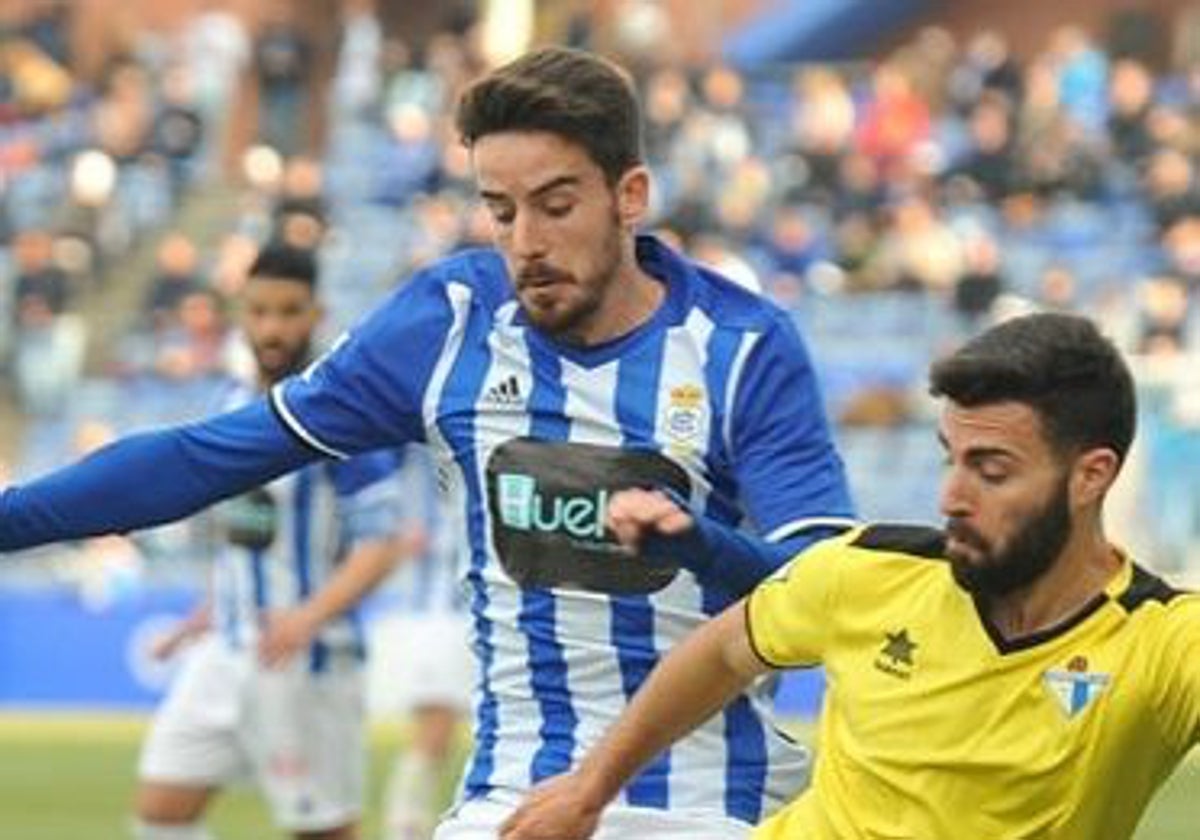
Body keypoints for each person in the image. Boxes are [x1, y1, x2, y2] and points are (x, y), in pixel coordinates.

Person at [0, 47, 855, 839]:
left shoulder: (743, 349)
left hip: (714, 805)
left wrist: (699, 546)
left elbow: (822, 595)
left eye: (557, 206)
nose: (526, 242)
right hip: (512, 800)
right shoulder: (449, 324)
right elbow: (203, 458)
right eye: (500, 211)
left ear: (629, 194)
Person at [497, 312, 1200, 840]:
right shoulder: (869, 573)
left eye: (991, 470)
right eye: (949, 458)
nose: (952, 495)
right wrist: (589, 789)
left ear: (1090, 477)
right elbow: (719, 651)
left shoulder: (1160, 646)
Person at [133, 243, 406, 840]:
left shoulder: (345, 416)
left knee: (321, 831)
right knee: (161, 808)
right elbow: (244, 539)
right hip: (224, 651)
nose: (273, 327)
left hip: (305, 661)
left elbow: (382, 543)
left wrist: (307, 617)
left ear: (316, 315)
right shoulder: (228, 404)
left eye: (288, 312)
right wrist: (200, 618)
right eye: (259, 312)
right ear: (240, 314)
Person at [371, 445, 473, 840]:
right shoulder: (413, 444)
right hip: (438, 613)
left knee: (446, 734)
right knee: (435, 728)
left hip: (468, 613)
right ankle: (405, 827)